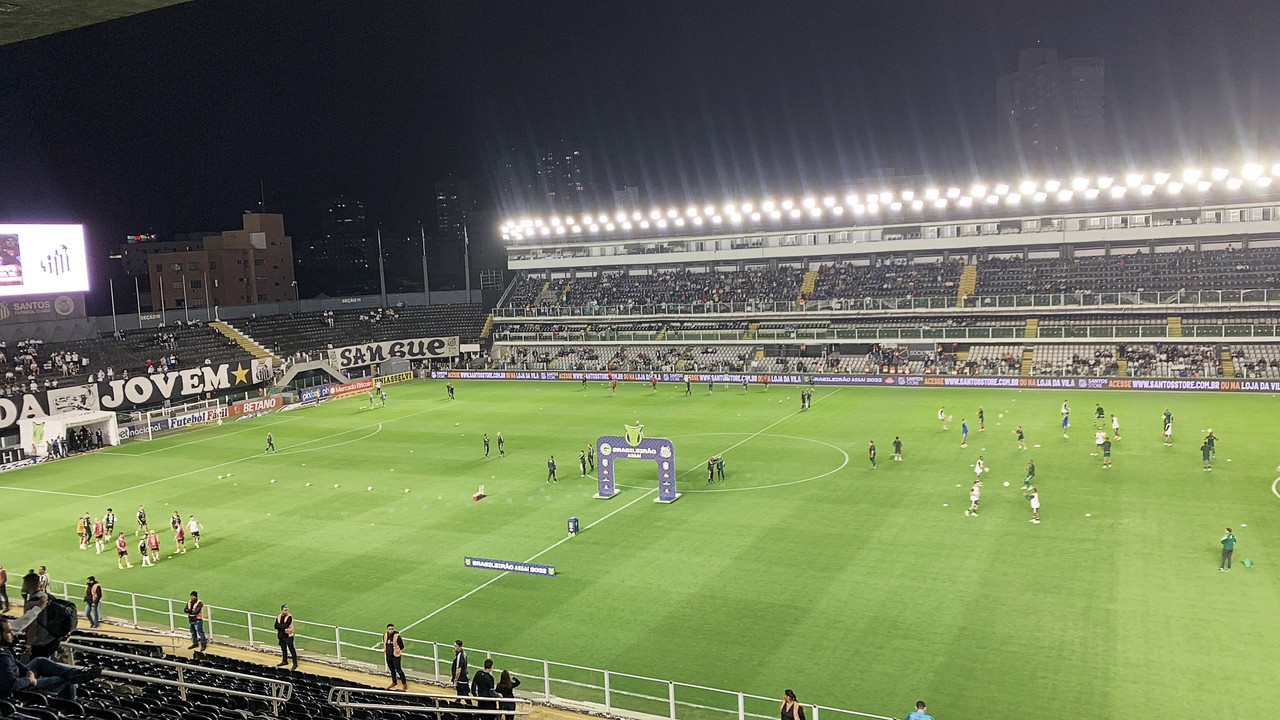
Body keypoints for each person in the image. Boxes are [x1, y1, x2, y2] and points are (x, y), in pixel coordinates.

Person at [0, 615, 102, 700]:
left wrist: (27, 670)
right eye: (8, 632)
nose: (12, 634)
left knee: (39, 661)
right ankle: (69, 707)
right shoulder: (3, 658)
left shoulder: (4, 653)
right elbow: (10, 685)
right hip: (21, 690)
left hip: (19, 677)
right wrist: (29, 680)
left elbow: (14, 663)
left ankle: (74, 673)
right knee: (67, 682)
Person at [382, 623, 407, 690]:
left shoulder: (397, 636)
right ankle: (394, 682)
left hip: (396, 656)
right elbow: (384, 643)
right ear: (387, 629)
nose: (391, 630)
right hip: (388, 655)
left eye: (392, 629)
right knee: (392, 670)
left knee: (398, 670)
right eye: (389, 629)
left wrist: (396, 651)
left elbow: (402, 646)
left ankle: (404, 683)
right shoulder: (385, 635)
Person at [275, 605, 297, 669]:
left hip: (288, 636)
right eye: (285, 610)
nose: (286, 611)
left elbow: (285, 625)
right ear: (281, 610)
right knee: (283, 649)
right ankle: (284, 661)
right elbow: (275, 626)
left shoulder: (289, 617)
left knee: (291, 649)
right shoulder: (278, 616)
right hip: (281, 635)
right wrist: (281, 626)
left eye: (287, 610)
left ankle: (295, 664)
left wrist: (280, 626)